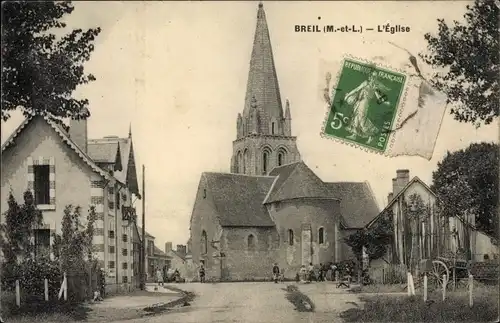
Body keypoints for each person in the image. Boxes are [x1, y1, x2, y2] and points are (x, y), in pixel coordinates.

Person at [343, 70, 391, 144]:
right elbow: (356, 89)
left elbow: (378, 97)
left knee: (362, 120)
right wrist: (348, 95)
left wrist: (385, 102)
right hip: (359, 102)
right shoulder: (365, 83)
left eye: (375, 77)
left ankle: (371, 135)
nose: (374, 78)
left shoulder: (375, 86)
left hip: (364, 104)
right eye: (373, 76)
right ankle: (354, 135)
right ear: (370, 77)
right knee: (356, 117)